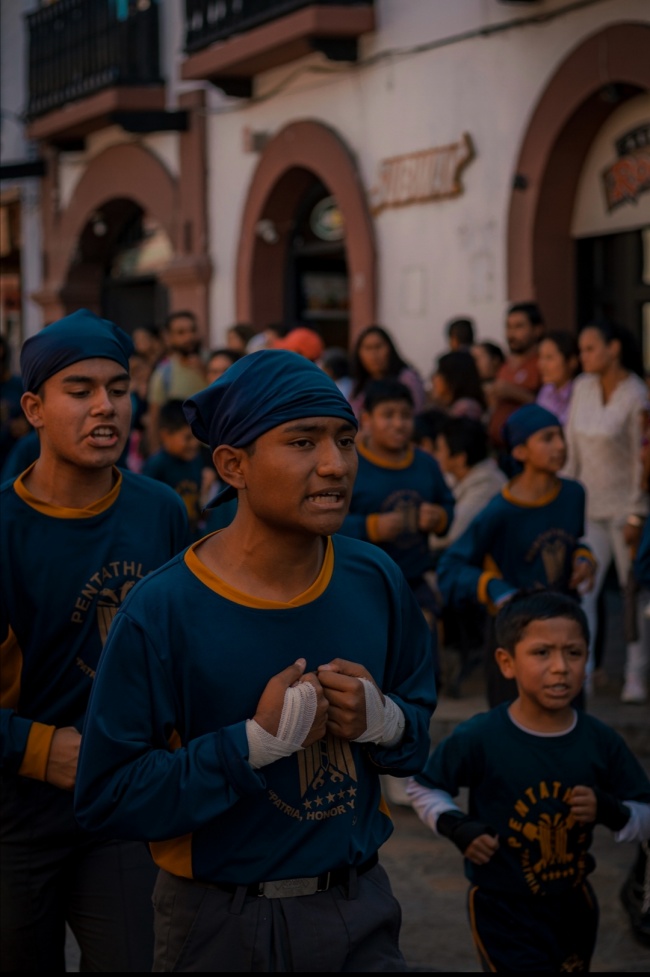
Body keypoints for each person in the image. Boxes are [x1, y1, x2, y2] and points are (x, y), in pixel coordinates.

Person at [74, 348, 437, 973]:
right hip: (220, 923)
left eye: (346, 440)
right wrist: (251, 745)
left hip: (361, 905)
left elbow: (418, 735)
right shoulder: (163, 609)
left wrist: (387, 721)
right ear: (233, 464)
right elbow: (108, 796)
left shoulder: (374, 577)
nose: (334, 464)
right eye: (302, 442)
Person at [0, 309, 190, 972]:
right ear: (35, 408)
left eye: (119, 386)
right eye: (79, 390)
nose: (106, 406)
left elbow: (179, 649)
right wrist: (40, 747)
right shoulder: (4, 528)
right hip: (14, 815)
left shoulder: (160, 509)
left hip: (121, 808)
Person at [406, 589, 650, 973]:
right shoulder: (481, 736)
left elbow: (645, 813)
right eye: (542, 653)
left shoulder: (600, 741)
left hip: (574, 904)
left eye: (574, 652)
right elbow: (423, 786)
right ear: (506, 662)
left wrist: (612, 811)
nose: (560, 667)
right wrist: (457, 826)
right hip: (502, 908)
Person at [436, 403, 596, 707]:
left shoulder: (574, 494)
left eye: (561, 436)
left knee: (569, 724)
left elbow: (573, 540)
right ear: (520, 452)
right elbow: (450, 566)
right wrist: (494, 587)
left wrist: (584, 558)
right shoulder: (501, 511)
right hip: (515, 634)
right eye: (547, 438)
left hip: (563, 627)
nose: (560, 446)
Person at [562, 321, 649, 698]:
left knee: (635, 592)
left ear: (613, 348)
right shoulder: (581, 387)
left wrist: (636, 513)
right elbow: (570, 447)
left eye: (590, 348)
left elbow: (642, 459)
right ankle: (581, 674)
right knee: (584, 591)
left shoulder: (637, 394)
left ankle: (635, 675)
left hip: (626, 509)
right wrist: (564, 498)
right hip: (586, 505)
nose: (583, 357)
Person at [429, 417, 506, 698]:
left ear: (459, 458)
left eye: (440, 449)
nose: (436, 456)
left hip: (480, 574)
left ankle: (440, 669)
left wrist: (427, 522)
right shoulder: (461, 476)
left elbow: (450, 533)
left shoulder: (487, 485)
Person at [485, 301, 544, 461]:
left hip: (527, 454)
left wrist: (513, 392)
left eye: (519, 327)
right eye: (508, 327)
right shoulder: (505, 366)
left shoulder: (542, 363)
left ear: (537, 330)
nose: (511, 334)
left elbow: (548, 406)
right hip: (501, 452)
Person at [142, 399, 206, 539]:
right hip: (166, 537)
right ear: (166, 435)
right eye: (188, 438)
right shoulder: (156, 466)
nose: (194, 443)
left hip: (191, 535)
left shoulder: (195, 460)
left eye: (196, 436)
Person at [147, 310, 207, 454]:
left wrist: (205, 372)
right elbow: (155, 419)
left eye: (192, 330)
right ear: (169, 338)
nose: (189, 337)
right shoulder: (164, 374)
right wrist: (155, 454)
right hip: (182, 455)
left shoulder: (216, 364)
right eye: (181, 333)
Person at [350, 324, 427, 419]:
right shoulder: (358, 386)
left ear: (390, 349)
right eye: (368, 348)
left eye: (378, 347)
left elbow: (416, 415)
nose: (374, 354)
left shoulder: (407, 379)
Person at [536, 329, 580, 427]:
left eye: (549, 358)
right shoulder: (547, 390)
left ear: (572, 361)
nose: (541, 364)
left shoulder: (581, 392)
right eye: (540, 357)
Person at [430, 349, 487, 421]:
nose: (433, 378)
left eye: (439, 372)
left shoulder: (466, 409)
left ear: (453, 378)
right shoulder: (452, 408)